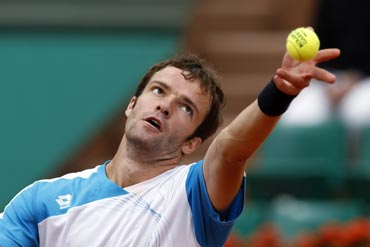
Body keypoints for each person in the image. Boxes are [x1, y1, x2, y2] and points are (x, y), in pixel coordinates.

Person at [0, 36, 340, 246]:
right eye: (159, 90)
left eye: (185, 108)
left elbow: (230, 151)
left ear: (192, 143)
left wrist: (279, 92)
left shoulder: (193, 194)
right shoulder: (39, 202)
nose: (164, 105)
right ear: (132, 105)